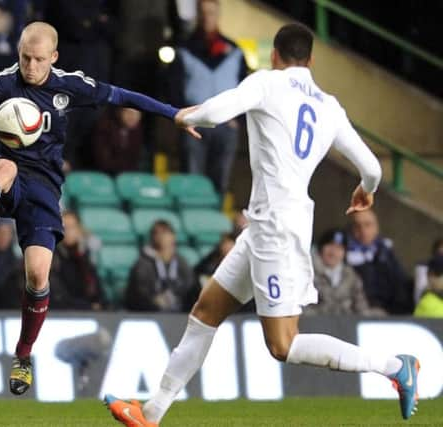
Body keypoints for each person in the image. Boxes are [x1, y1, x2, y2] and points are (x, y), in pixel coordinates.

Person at [105, 23, 419, 425]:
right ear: (311, 59)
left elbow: (216, 113)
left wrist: (187, 118)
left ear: (275, 54)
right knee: (205, 312)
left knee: (282, 344)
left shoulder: (267, 84)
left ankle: (394, 366)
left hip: (277, 230)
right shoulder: (329, 105)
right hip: (266, 226)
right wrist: (365, 188)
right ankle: (152, 412)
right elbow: (373, 168)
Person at [0, 21, 195, 396]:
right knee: (5, 165)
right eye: (25, 57)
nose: (29, 66)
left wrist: (173, 113)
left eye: (38, 59)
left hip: (44, 187)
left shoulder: (68, 84)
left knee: (38, 276)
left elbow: (121, 96)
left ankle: (23, 356)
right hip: (5, 176)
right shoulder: (3, 82)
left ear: (53, 57)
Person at [169, 0, 247, 195]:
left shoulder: (234, 51)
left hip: (226, 126)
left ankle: (214, 223)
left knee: (220, 182)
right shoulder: (184, 49)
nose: (207, 18)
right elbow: (172, 86)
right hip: (194, 124)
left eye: (211, 13)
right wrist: (183, 116)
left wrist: (239, 120)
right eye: (203, 13)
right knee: (191, 181)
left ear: (218, 15)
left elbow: (246, 89)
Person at [346, 209, 412, 314]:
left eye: (368, 225)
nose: (363, 231)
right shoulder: (344, 255)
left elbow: (401, 286)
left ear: (376, 227)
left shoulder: (387, 253)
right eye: (357, 226)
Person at [306, 228, 382, 316]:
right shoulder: (308, 272)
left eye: (339, 248)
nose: (333, 252)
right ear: (321, 248)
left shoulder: (351, 276)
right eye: (330, 245)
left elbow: (361, 307)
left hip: (344, 326)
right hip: (315, 324)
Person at [126, 220, 194, 312]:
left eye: (165, 232)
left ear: (173, 236)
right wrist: (154, 301)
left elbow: (189, 286)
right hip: (149, 312)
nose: (161, 237)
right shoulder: (143, 264)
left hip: (179, 311)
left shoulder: (181, 262)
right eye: (156, 233)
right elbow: (139, 292)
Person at [50, 211, 105, 310]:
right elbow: (57, 297)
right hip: (64, 315)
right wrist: (89, 307)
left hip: (88, 313)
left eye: (72, 227)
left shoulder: (84, 256)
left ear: (79, 229)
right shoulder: (53, 258)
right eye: (64, 227)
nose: (68, 231)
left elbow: (97, 290)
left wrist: (100, 304)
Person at [91, 107, 144, 175]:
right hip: (103, 175)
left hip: (128, 175)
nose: (132, 116)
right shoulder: (104, 127)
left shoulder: (137, 131)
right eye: (128, 112)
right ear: (118, 112)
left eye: (137, 113)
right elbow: (102, 161)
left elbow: (135, 160)